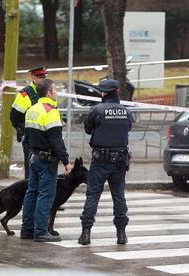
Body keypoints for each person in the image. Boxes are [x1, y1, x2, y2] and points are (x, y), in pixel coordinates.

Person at [78, 79, 132, 246]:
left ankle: (86, 234)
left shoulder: (97, 110)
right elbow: (128, 128)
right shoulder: (125, 111)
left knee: (93, 195)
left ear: (103, 93)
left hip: (101, 159)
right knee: (119, 196)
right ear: (116, 91)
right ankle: (121, 235)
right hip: (120, 160)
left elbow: (87, 128)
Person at [20, 79, 72, 242]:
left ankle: (27, 230)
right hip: (46, 160)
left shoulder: (31, 109)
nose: (56, 92)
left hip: (34, 157)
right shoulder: (50, 111)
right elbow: (56, 139)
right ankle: (41, 232)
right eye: (55, 89)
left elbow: (26, 137)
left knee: (31, 193)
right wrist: (66, 161)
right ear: (48, 93)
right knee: (46, 195)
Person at [10, 66, 48, 179]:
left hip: (46, 136)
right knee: (31, 170)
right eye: (39, 77)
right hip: (31, 137)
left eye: (44, 77)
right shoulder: (25, 94)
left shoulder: (49, 92)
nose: (42, 79)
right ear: (33, 77)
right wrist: (23, 129)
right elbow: (15, 116)